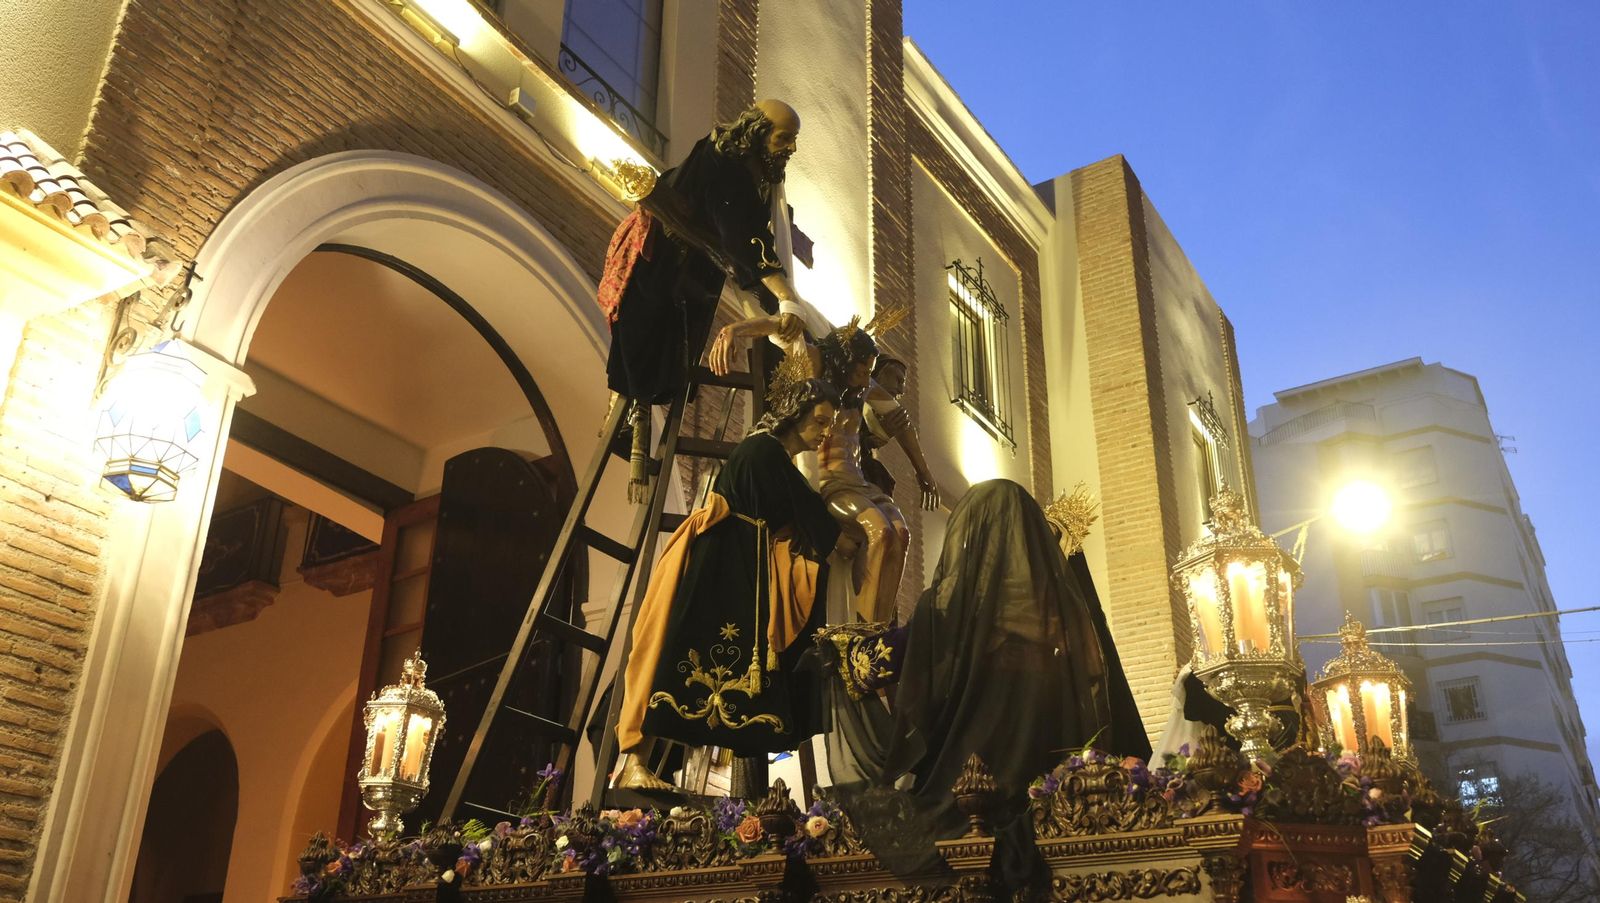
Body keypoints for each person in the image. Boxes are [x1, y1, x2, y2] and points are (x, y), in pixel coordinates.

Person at [823, 480, 1148, 890]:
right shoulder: (1061, 618)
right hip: (1051, 800)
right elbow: (1095, 686)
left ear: (970, 535)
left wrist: (837, 654)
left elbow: (870, 667)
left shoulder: (950, 614)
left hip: (961, 797)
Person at [613, 360, 842, 789]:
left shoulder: (772, 456)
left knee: (680, 656)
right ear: (796, 412)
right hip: (724, 567)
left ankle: (639, 765)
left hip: (734, 562)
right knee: (671, 655)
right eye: (822, 420)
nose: (826, 430)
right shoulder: (765, 450)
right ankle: (633, 764)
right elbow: (820, 523)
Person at [601, 99, 809, 408]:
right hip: (660, 270)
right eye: (783, 138)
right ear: (757, 133)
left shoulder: (760, 177)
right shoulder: (723, 164)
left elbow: (752, 232)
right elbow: (744, 235)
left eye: (794, 139)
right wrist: (784, 295)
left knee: (667, 369)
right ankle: (627, 414)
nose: (791, 147)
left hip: (691, 278)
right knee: (644, 367)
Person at [814, 319, 936, 623]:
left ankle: (880, 627)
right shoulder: (817, 381)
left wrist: (924, 472)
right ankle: (861, 629)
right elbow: (784, 327)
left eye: (869, 372)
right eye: (861, 370)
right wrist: (736, 331)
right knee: (879, 531)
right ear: (844, 362)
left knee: (901, 533)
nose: (865, 378)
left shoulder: (863, 388)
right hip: (833, 483)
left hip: (859, 483)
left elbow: (901, 420)